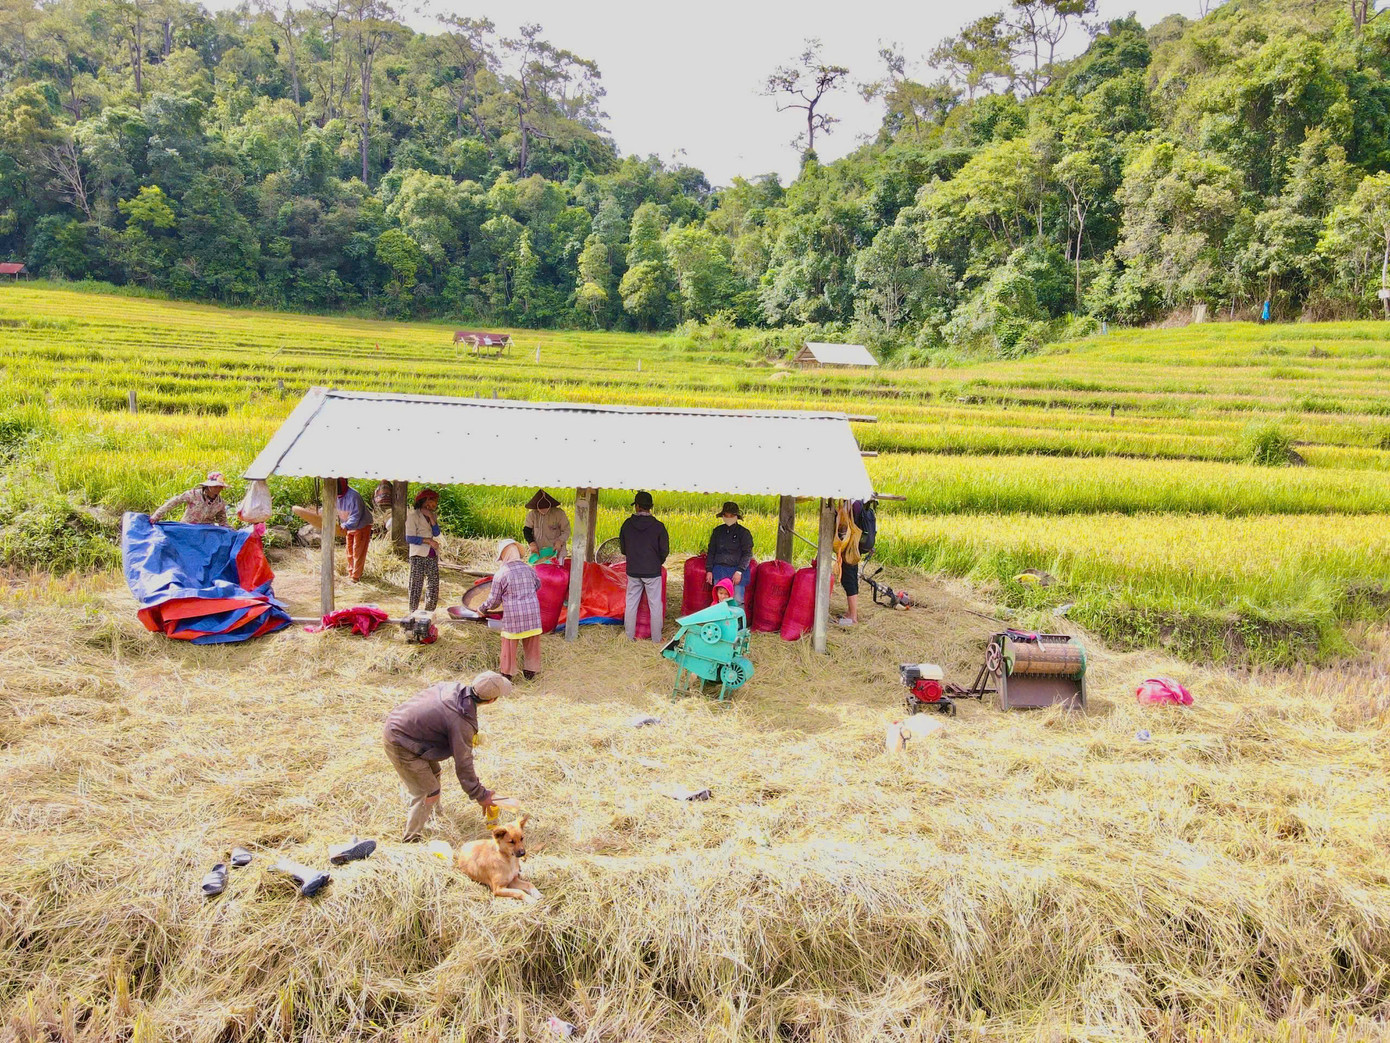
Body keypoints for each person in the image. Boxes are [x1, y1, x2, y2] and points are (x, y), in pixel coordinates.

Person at [381, 672, 517, 842]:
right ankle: (411, 839)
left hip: (405, 727)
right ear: (491, 700)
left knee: (434, 773)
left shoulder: (453, 688)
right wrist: (481, 795)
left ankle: (433, 816)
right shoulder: (462, 721)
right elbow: (463, 764)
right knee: (427, 791)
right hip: (401, 741)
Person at [478, 539, 543, 680]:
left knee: (509, 645)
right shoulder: (529, 569)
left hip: (514, 616)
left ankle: (507, 674)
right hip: (533, 614)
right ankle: (530, 672)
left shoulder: (501, 574)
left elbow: (494, 600)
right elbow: (538, 585)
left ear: (504, 556)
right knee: (532, 643)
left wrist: (482, 609)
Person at [619, 491, 669, 644]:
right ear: (651, 507)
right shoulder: (658, 527)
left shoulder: (627, 525)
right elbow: (664, 551)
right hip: (652, 571)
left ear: (637, 507)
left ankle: (628, 637)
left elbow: (623, 549)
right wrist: (656, 562)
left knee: (631, 602)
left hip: (633, 570)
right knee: (655, 604)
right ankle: (656, 639)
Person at [837, 498, 877, 627]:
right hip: (858, 545)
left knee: (849, 578)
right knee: (851, 576)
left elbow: (843, 524)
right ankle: (851, 612)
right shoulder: (860, 501)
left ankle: (853, 616)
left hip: (850, 546)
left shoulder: (850, 504)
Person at [705, 500, 754, 603]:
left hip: (736, 571)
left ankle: (736, 619)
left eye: (731, 515)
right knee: (719, 600)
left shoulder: (744, 533)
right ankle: (721, 619)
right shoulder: (717, 531)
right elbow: (711, 551)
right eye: (726, 515)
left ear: (736, 517)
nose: (728, 518)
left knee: (737, 600)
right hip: (719, 570)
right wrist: (709, 570)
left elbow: (747, 553)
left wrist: (739, 571)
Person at [405, 488, 442, 613]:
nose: (435, 505)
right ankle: (413, 612)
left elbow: (436, 533)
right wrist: (428, 541)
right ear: (426, 500)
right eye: (433, 501)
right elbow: (409, 538)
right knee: (416, 584)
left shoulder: (432, 515)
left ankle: (429, 612)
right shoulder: (413, 516)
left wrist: (431, 517)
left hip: (431, 554)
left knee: (433, 584)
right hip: (417, 555)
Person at [151, 472, 230, 525]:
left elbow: (222, 521)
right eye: (215, 486)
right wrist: (157, 515)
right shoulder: (194, 494)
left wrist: (231, 530)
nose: (218, 489)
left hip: (205, 531)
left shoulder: (220, 503)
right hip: (188, 527)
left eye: (220, 487)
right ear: (209, 486)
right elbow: (173, 502)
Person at [336, 478, 372, 583]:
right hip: (348, 526)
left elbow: (356, 515)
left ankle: (355, 577)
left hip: (361, 525)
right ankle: (351, 572)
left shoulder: (354, 496)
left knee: (358, 551)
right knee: (349, 551)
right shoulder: (334, 495)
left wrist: (346, 526)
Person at [523, 489, 570, 561]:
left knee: (556, 570)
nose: (543, 510)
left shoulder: (559, 513)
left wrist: (560, 541)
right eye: (540, 507)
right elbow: (527, 531)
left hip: (556, 550)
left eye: (545, 507)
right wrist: (532, 544)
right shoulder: (532, 515)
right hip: (539, 551)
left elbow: (566, 530)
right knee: (539, 571)